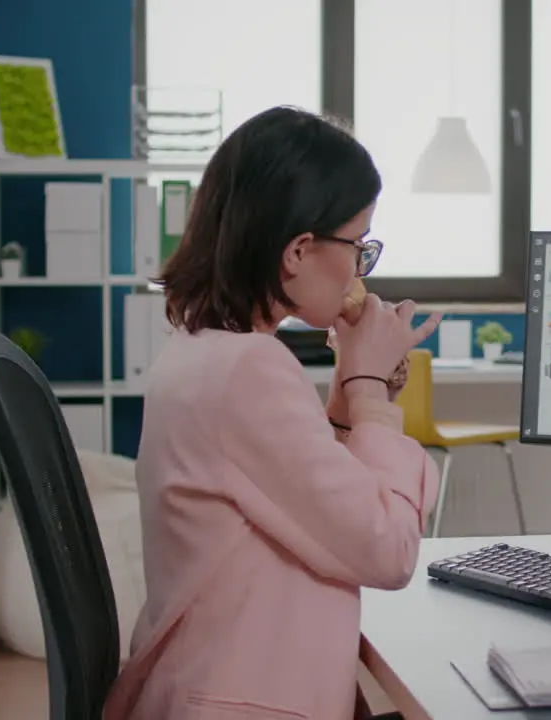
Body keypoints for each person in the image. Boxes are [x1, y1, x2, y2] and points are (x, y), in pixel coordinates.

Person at [103, 107, 441, 720]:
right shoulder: (250, 371)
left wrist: (351, 385)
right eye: (358, 245)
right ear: (299, 250)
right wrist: (368, 389)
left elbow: (310, 497)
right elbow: (389, 549)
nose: (361, 267)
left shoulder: (205, 351)